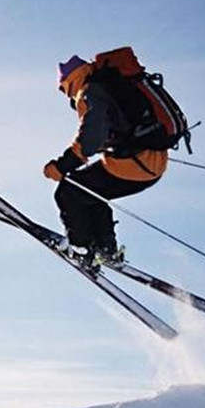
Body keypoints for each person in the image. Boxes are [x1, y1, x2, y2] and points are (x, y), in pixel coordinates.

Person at [43, 53, 168, 264]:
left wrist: (62, 165)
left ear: (69, 81)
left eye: (63, 89)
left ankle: (80, 250)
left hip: (132, 166)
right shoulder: (110, 84)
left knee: (68, 192)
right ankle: (105, 247)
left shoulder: (89, 91)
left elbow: (91, 137)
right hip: (152, 163)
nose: (66, 95)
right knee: (90, 191)